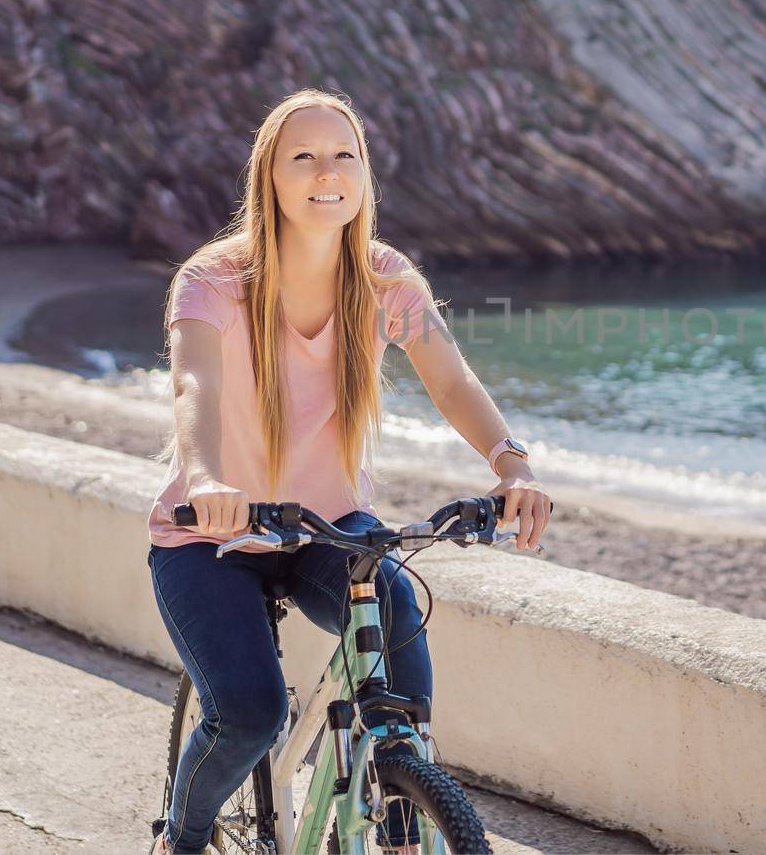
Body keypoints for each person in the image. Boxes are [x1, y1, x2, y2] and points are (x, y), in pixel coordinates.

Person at [146, 88, 552, 855]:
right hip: (209, 534)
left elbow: (453, 380)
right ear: (269, 175)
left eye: (345, 155)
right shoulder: (211, 280)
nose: (326, 171)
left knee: (396, 622)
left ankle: (397, 808)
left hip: (326, 525)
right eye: (304, 155)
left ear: (364, 175)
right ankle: (183, 836)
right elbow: (191, 384)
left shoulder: (388, 279)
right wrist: (205, 479)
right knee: (249, 712)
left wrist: (512, 466)